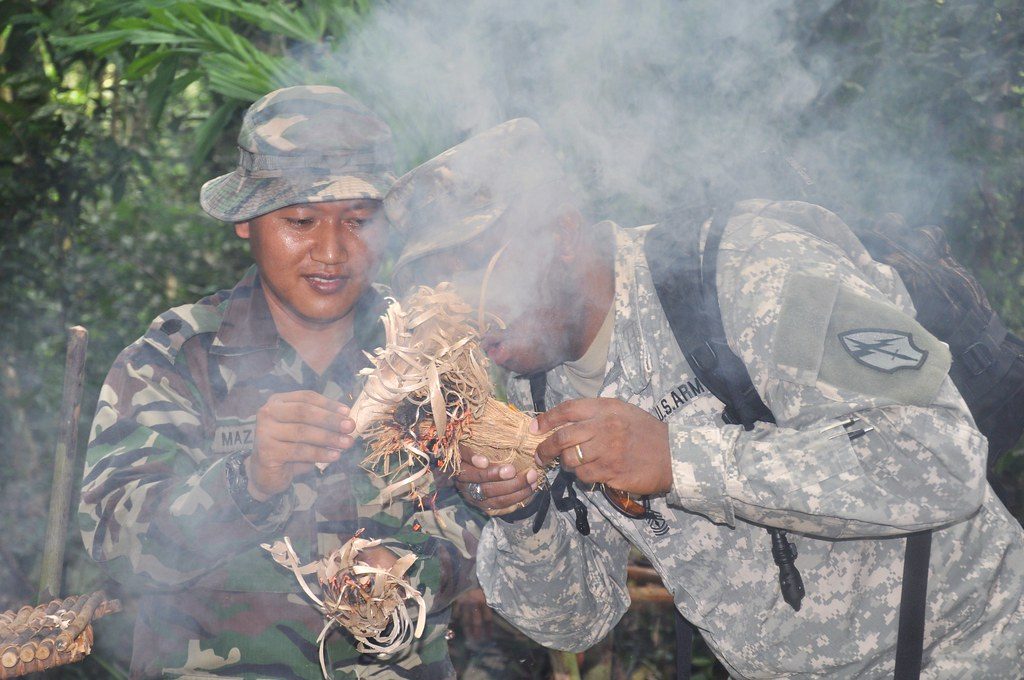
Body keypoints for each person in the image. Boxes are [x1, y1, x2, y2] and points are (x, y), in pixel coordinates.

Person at [382, 117, 1024, 679]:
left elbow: (940, 459)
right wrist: (520, 513)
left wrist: (681, 460)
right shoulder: (531, 379)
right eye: (442, 291)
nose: (473, 314)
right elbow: (575, 621)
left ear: (564, 236)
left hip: (974, 654)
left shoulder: (757, 270)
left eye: (485, 273)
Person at [80, 85, 481, 679]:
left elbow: (485, 521)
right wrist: (247, 482)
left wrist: (403, 571)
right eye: (299, 220)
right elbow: (119, 553)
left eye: (358, 221)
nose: (331, 251)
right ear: (246, 220)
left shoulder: (431, 351)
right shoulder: (174, 359)